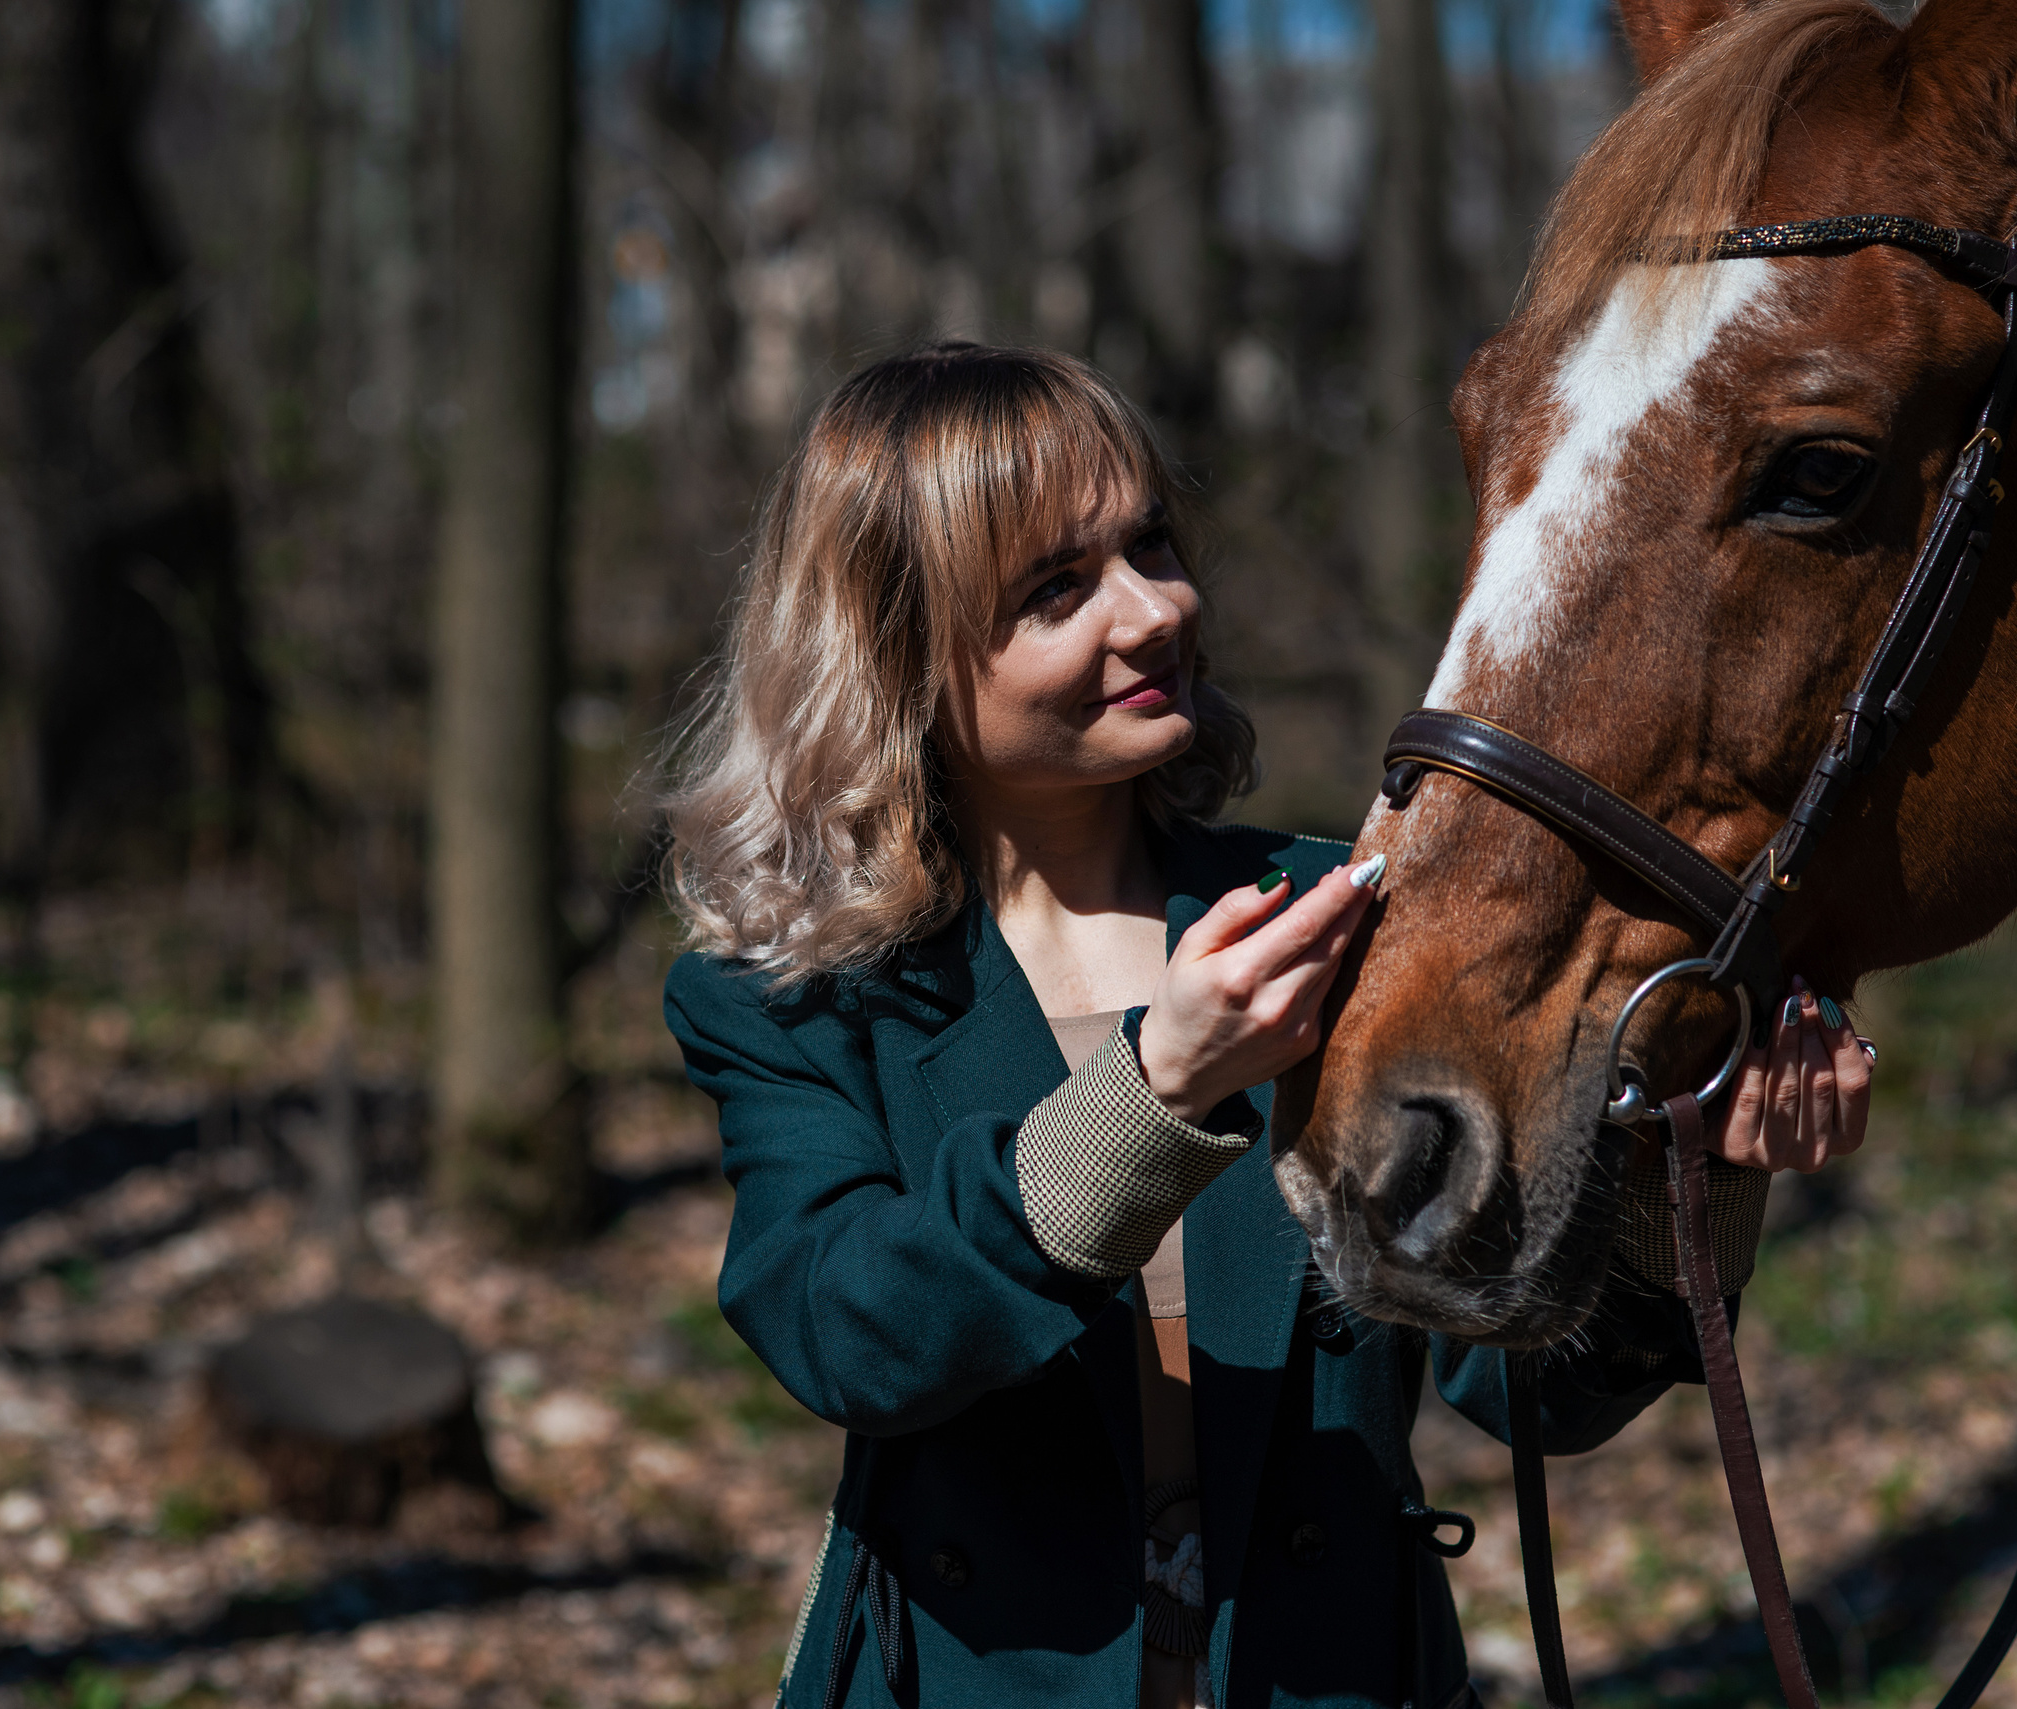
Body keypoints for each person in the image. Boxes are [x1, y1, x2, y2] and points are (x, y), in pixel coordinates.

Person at [661, 344, 1872, 1709]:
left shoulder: (1342, 917)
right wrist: (1153, 1087)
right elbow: (848, 1330)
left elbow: (1527, 1389)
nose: (1156, 607)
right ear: (896, 655)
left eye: (1152, 544)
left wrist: (1704, 1167)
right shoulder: (801, 993)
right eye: (1059, 589)